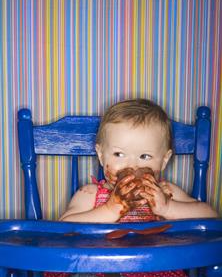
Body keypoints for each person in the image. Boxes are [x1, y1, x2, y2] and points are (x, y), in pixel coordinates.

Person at [59, 99, 218, 277]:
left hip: (154, 268)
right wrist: (111, 209)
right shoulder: (90, 194)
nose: (132, 166)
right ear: (101, 155)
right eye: (119, 154)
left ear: (164, 160)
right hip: (100, 268)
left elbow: (210, 219)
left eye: (145, 156)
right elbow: (63, 231)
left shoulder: (166, 192)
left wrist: (168, 207)